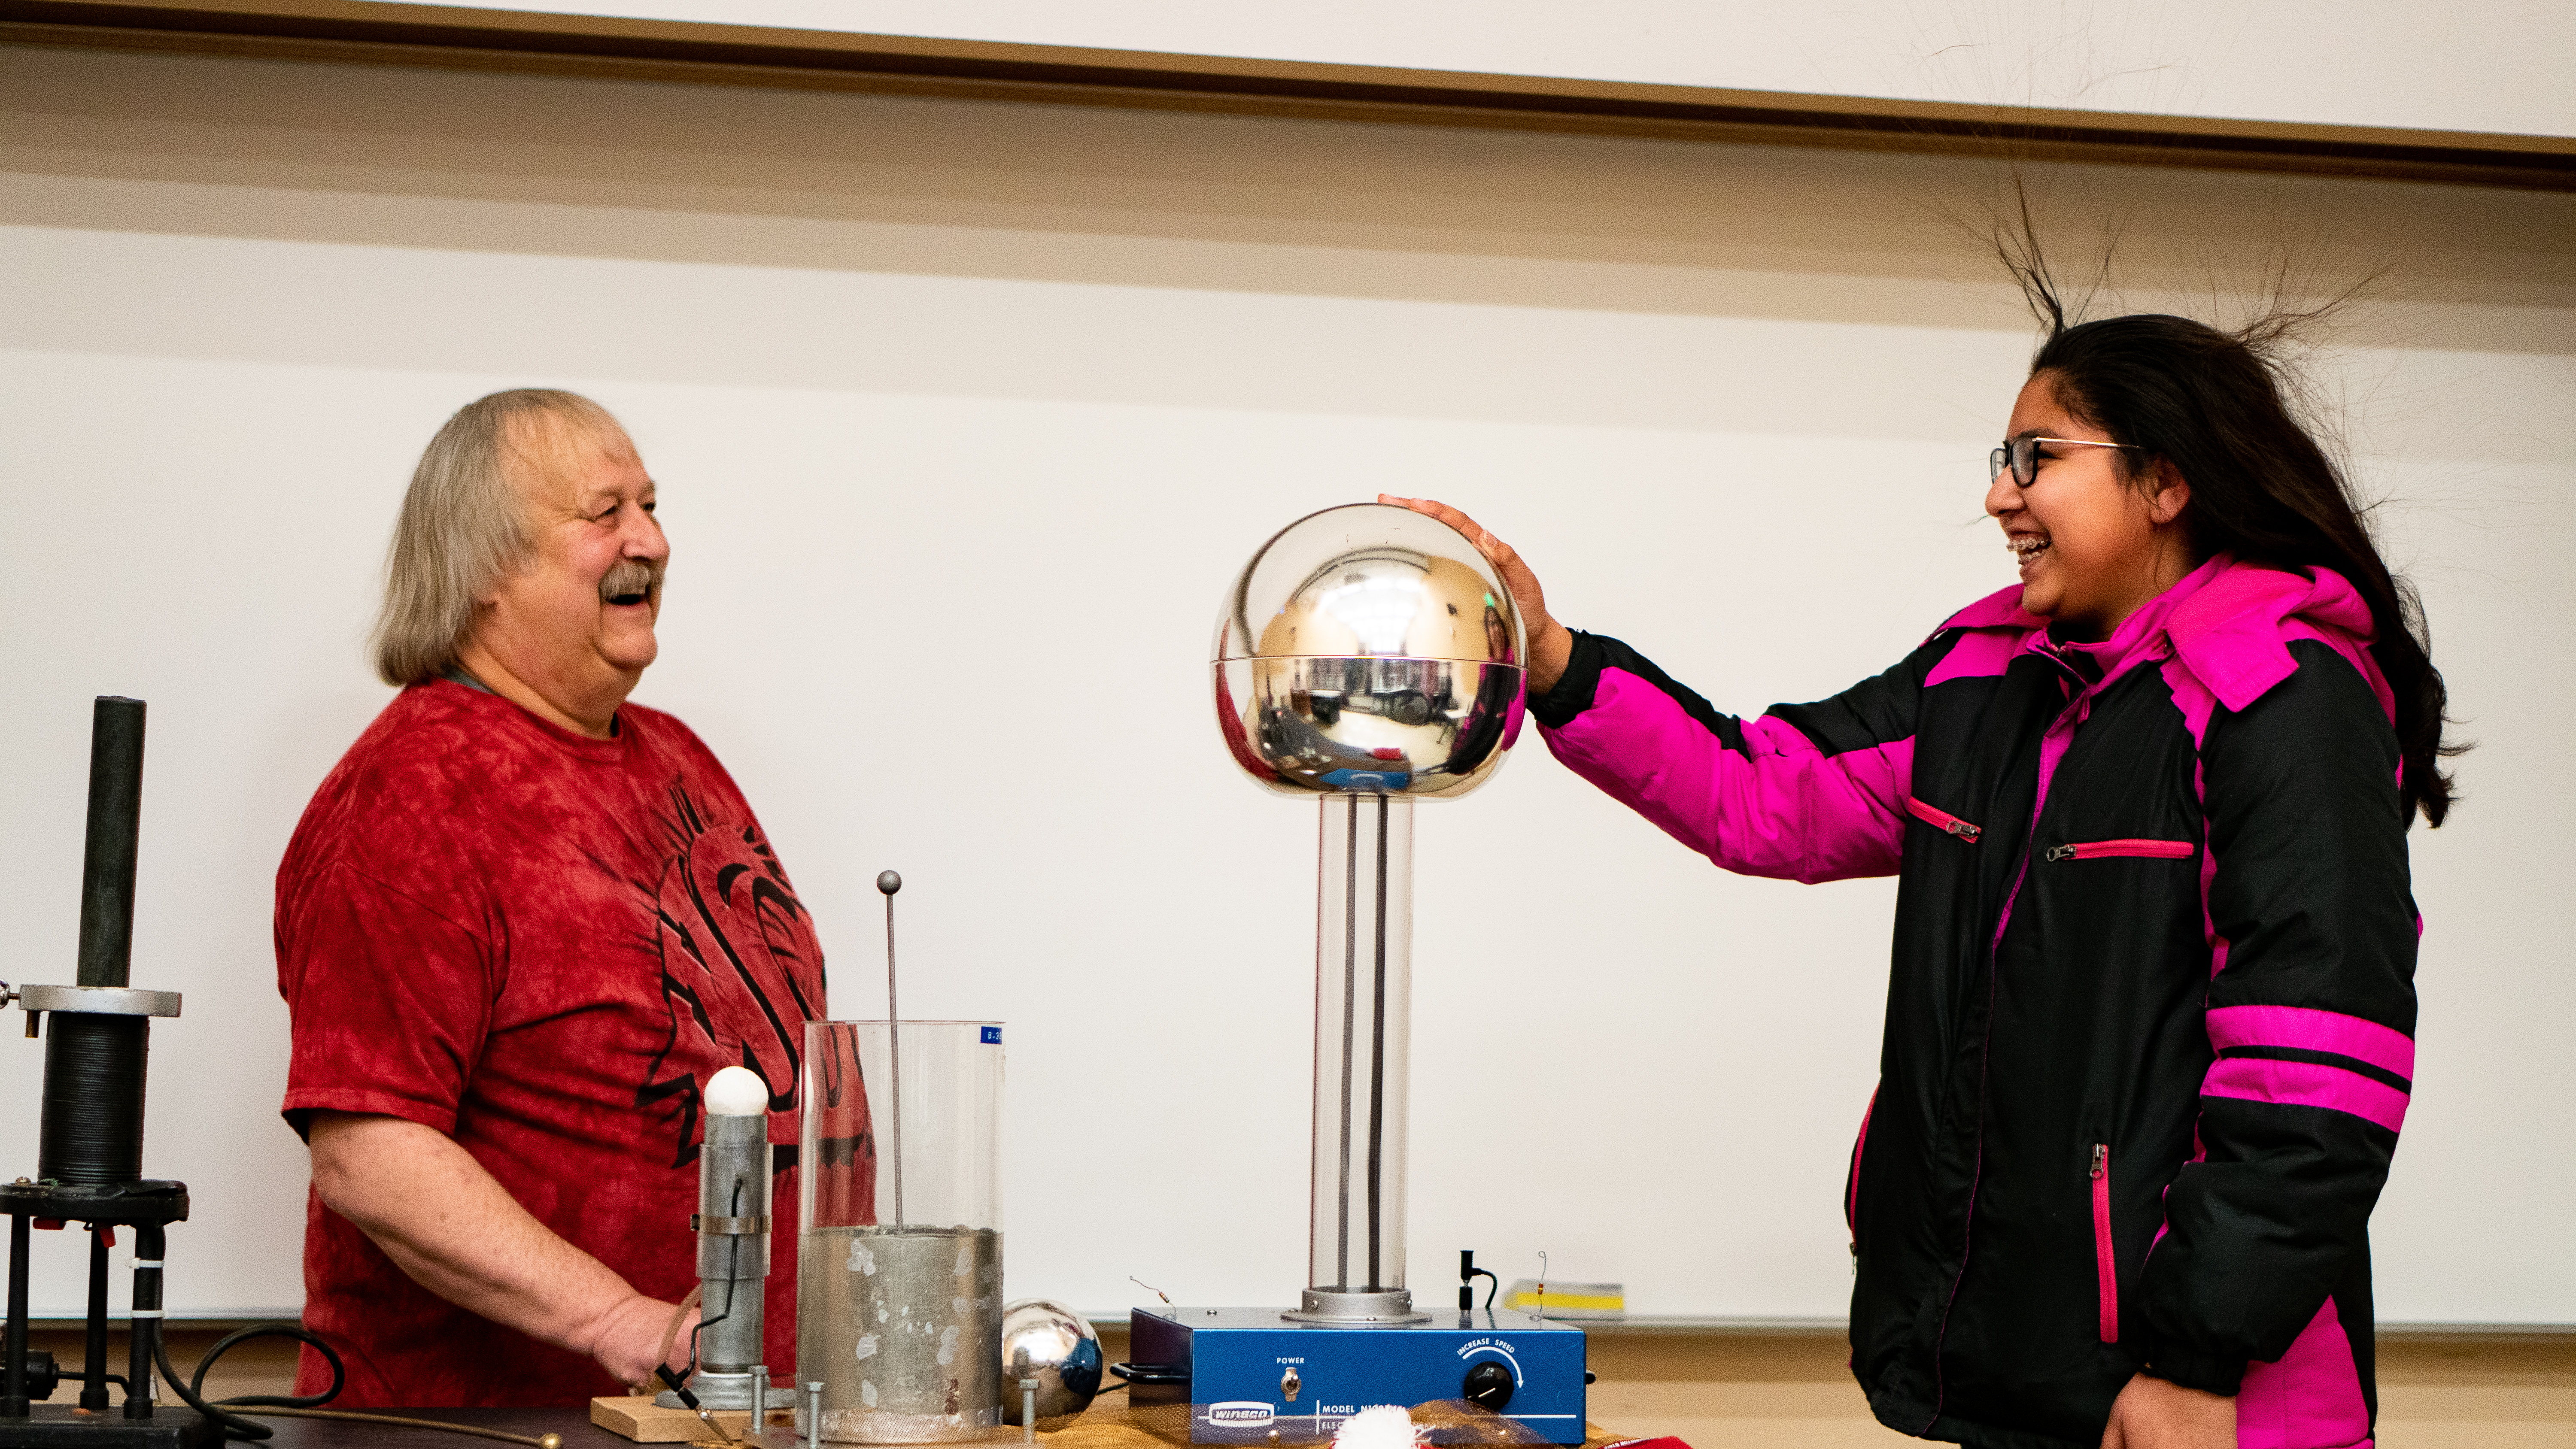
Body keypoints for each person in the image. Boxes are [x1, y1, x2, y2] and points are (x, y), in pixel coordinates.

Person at [1392, 277, 2448, 1449]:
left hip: (2208, 1401)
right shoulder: (1983, 676)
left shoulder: (2283, 698)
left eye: (2036, 456)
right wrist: (1551, 658)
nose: (1999, 495)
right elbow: (1760, 794)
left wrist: (2199, 1358)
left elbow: (2314, 1070)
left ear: (2165, 480)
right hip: (2016, 1376)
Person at [275, 390, 858, 1406]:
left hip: (739, 1412)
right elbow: (370, 1151)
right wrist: (619, 1321)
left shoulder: (679, 755)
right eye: (606, 513)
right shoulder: (411, 795)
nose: (654, 541)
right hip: (495, 1426)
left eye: (652, 505)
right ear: (487, 567)